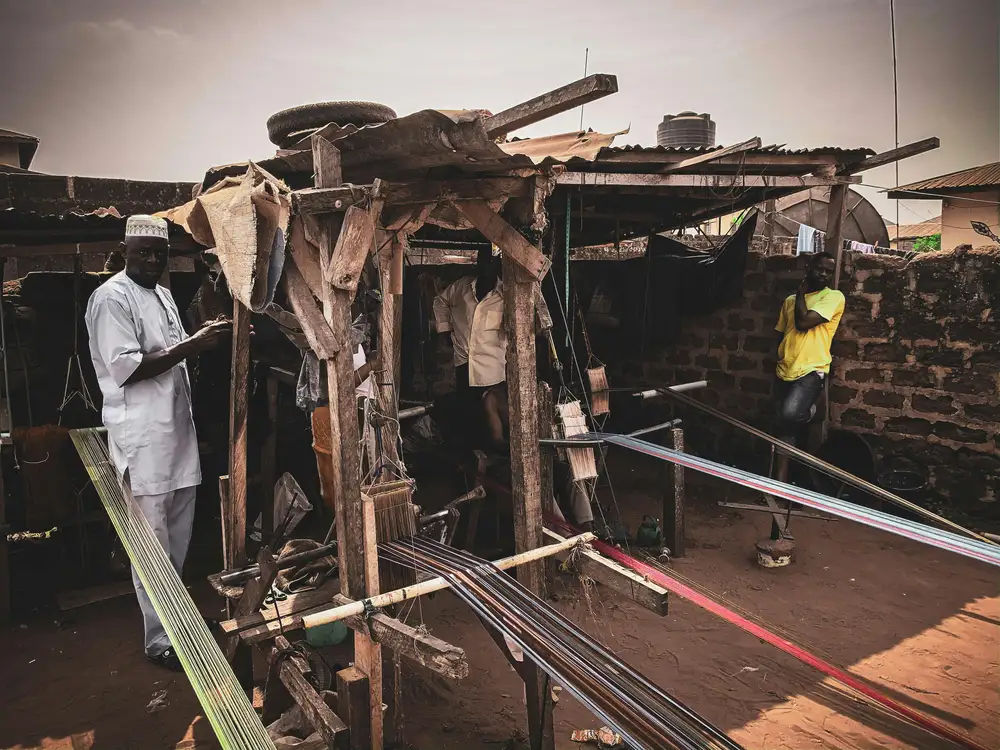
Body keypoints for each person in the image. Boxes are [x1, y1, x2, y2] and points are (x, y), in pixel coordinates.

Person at [86, 215, 232, 671]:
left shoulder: (164, 294)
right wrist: (195, 345)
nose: (151, 259)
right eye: (142, 252)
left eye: (159, 253)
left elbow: (175, 354)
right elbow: (128, 367)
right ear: (124, 251)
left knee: (179, 535)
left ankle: (180, 622)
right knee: (153, 545)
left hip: (176, 434)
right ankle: (160, 639)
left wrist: (208, 339)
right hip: (144, 438)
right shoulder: (111, 298)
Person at [772, 251, 844, 479]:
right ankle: (782, 483)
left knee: (790, 416)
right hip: (785, 369)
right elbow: (781, 333)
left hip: (812, 370)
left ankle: (813, 409)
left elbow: (803, 322)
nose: (823, 274)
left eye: (828, 272)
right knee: (785, 425)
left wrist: (801, 292)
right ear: (808, 268)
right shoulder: (789, 302)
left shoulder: (833, 297)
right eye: (819, 268)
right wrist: (780, 355)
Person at [432, 245, 509, 449]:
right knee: (467, 415)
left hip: (492, 371)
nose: (486, 266)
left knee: (490, 417)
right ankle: (471, 463)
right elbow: (440, 301)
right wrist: (444, 330)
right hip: (464, 364)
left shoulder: (506, 295)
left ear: (499, 264)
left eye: (491, 262)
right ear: (477, 262)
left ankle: (491, 459)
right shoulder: (462, 287)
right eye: (482, 260)